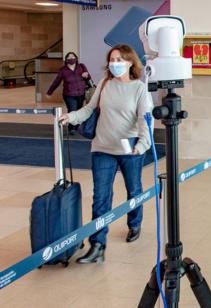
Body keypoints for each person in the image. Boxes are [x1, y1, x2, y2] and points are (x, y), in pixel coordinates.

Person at [59, 44, 153, 264]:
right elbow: (89, 109)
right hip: (102, 148)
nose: (115, 64)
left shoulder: (139, 89)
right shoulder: (104, 84)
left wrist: (142, 144)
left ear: (130, 62)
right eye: (112, 59)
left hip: (130, 148)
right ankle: (98, 245)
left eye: (120, 60)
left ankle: (134, 224)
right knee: (101, 197)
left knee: (134, 190)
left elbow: (144, 120)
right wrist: (71, 117)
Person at [47, 52, 91, 134]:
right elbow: (56, 82)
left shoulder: (81, 66)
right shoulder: (63, 70)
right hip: (69, 94)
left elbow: (88, 78)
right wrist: (49, 92)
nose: (71, 58)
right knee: (72, 109)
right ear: (66, 60)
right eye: (69, 57)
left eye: (73, 57)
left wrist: (87, 76)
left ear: (76, 58)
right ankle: (72, 128)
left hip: (81, 94)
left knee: (78, 110)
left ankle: (77, 126)